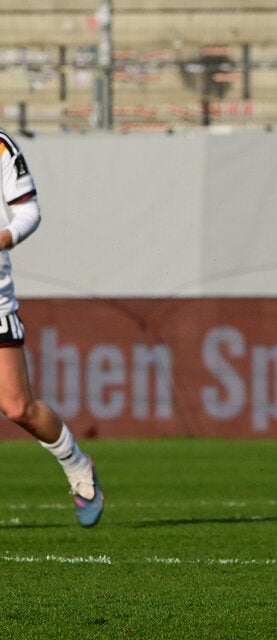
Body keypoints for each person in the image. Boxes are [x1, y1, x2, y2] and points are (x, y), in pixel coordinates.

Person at [0, 127, 104, 528]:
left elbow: (29, 211)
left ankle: (78, 466)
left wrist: (4, 236)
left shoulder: (2, 146)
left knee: (17, 407)